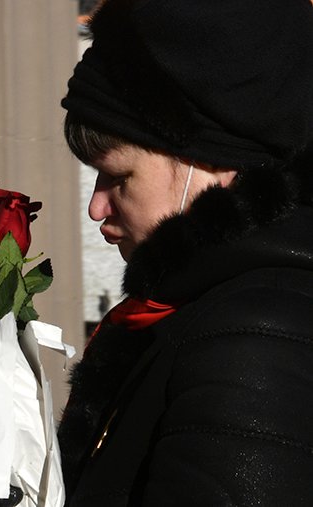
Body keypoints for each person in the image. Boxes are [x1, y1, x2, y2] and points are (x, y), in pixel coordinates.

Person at [57, 0, 313, 505]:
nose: (96, 207)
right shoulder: (206, 314)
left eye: (118, 176)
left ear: (215, 164)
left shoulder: (254, 337)